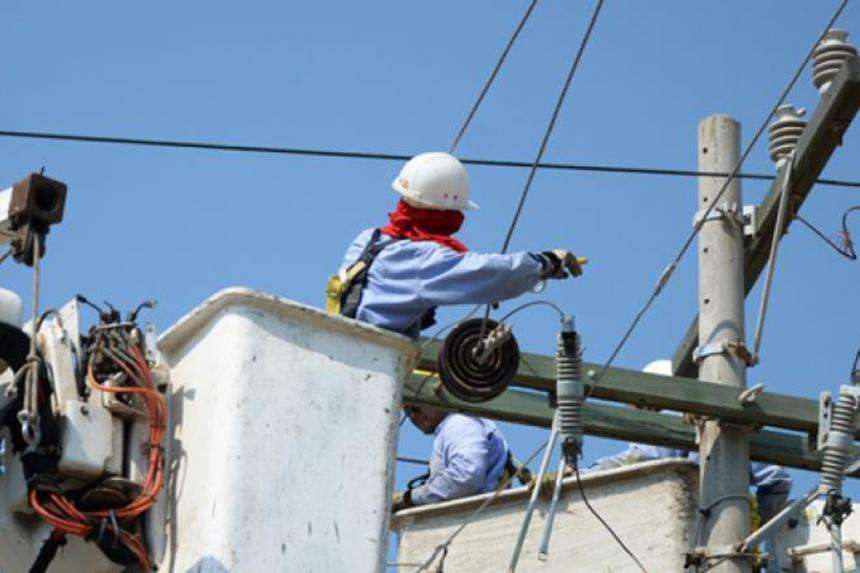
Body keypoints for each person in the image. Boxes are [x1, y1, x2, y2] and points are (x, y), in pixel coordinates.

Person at [330, 151, 585, 339]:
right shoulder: (422, 259)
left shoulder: (369, 239)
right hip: (373, 359)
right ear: (447, 212)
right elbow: (489, 272)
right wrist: (545, 262)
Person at [392, 405, 514, 512]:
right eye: (408, 412)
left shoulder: (459, 422)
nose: (413, 416)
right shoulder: (455, 424)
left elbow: (466, 475)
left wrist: (409, 498)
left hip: (478, 518)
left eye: (415, 408)